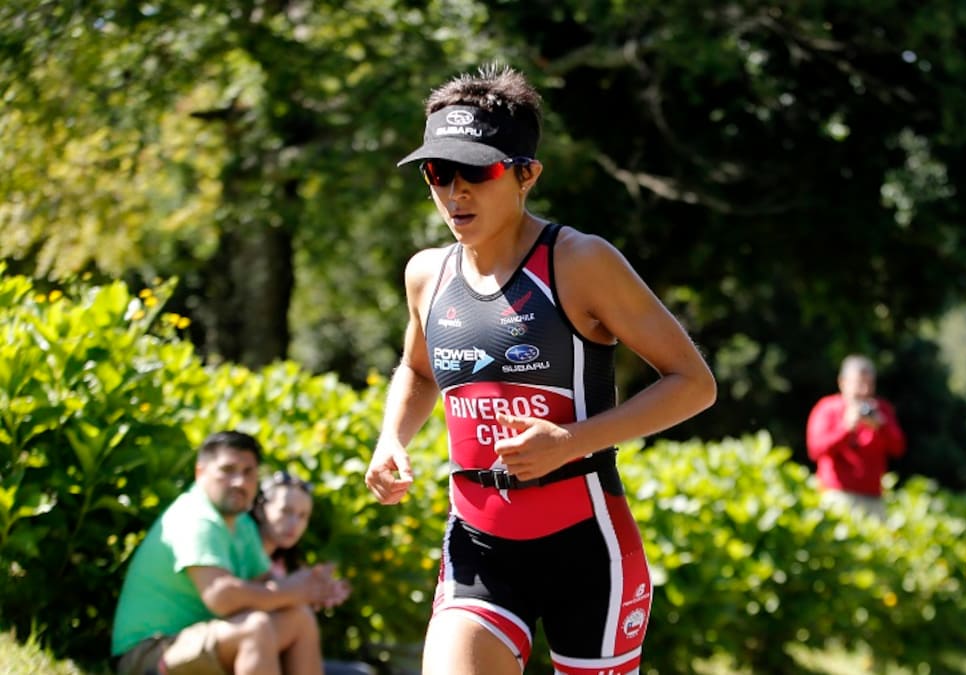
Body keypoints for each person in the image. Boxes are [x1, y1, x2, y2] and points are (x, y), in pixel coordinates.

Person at [363, 64, 716, 675]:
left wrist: (573, 441)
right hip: (478, 545)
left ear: (527, 174)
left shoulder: (580, 261)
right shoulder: (428, 274)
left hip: (587, 550)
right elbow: (418, 373)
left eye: (477, 170)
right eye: (438, 172)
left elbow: (694, 384)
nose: (455, 191)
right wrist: (392, 438)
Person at [111, 431, 342, 675]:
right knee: (255, 628)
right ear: (200, 472)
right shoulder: (195, 517)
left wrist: (314, 589)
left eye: (248, 472)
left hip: (202, 639)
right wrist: (292, 590)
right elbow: (221, 597)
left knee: (299, 618)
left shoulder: (241, 522)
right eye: (227, 470)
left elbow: (266, 585)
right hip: (149, 652)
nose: (239, 482)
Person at [251, 470, 374, 675]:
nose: (294, 524)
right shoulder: (245, 549)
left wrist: (318, 593)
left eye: (302, 516)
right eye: (285, 512)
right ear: (261, 509)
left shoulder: (284, 561)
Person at [805, 354, 906, 516]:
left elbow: (898, 448)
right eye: (859, 384)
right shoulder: (827, 408)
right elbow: (815, 450)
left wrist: (882, 426)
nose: (865, 390)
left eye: (869, 384)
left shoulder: (881, 410)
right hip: (837, 495)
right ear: (842, 383)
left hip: (874, 498)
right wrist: (846, 428)